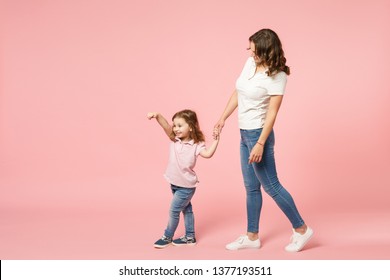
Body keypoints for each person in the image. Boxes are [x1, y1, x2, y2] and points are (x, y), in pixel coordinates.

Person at [214, 28, 313, 252]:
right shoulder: (250, 64)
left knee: (272, 186)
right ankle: (252, 236)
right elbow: (238, 91)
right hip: (244, 133)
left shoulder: (277, 75)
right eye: (250, 49)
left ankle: (302, 229)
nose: (250, 54)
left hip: (259, 134)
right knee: (251, 188)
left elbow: (272, 113)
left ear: (267, 52)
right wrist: (222, 118)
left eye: (255, 51)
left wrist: (259, 143)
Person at [147, 109, 219, 248]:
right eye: (175, 125)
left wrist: (216, 140)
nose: (175, 128)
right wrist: (157, 115)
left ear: (191, 127)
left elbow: (208, 154)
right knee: (187, 210)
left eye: (180, 125)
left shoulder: (197, 145)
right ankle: (190, 237)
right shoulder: (175, 139)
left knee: (174, 211)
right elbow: (165, 126)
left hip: (186, 186)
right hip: (174, 183)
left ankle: (168, 237)